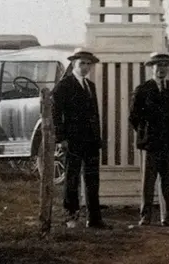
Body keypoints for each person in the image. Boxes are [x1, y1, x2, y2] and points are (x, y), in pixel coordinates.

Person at [51, 48, 107, 230]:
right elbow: (55, 113)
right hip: (73, 140)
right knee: (72, 178)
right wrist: (61, 138)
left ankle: (94, 219)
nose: (85, 67)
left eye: (88, 64)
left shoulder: (90, 86)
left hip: (91, 140)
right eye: (82, 63)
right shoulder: (64, 85)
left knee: (92, 179)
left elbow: (94, 114)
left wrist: (97, 138)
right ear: (74, 64)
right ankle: (71, 216)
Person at [129, 51, 169, 227]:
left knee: (168, 180)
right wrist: (146, 132)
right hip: (150, 143)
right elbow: (134, 117)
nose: (162, 69)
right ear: (152, 68)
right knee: (148, 181)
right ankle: (145, 217)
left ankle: (168, 217)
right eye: (158, 65)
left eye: (165, 66)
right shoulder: (143, 89)